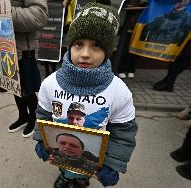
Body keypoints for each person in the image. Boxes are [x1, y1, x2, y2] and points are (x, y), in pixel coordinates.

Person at [34, 2, 138, 188]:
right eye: (79, 44)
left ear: (107, 50)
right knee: (65, 162)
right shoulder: (50, 83)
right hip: (62, 149)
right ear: (70, 45)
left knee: (83, 171)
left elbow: (123, 133)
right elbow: (43, 115)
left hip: (92, 159)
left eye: (96, 45)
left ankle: (81, 180)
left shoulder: (119, 91)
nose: (85, 54)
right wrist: (42, 140)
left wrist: (112, 163)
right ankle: (66, 175)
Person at [0, 0, 48, 137]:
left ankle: (34, 118)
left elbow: (38, 15)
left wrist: (0, 10)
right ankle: (23, 115)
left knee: (26, 89)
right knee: (14, 87)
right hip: (2, 47)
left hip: (22, 50)